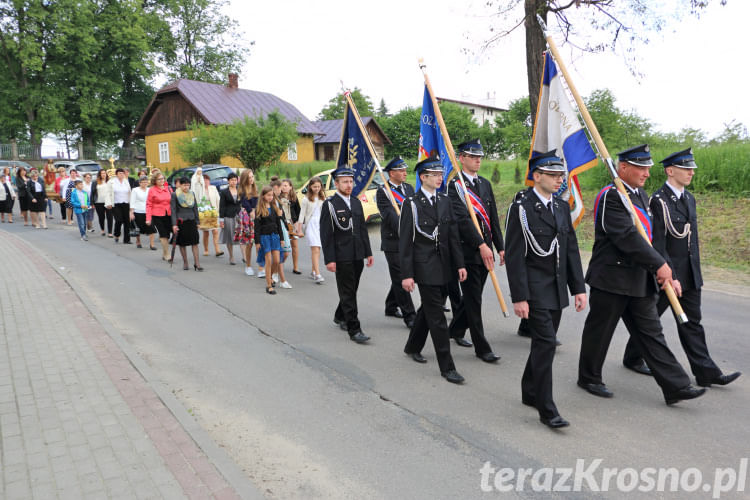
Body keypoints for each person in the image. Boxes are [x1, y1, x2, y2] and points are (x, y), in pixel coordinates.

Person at [577, 144, 706, 405]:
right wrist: (658, 264)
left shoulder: (640, 196)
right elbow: (625, 236)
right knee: (600, 332)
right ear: (623, 168)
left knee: (652, 333)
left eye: (648, 167)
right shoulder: (611, 195)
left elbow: (653, 238)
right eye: (641, 167)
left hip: (638, 279)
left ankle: (676, 386)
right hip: (611, 279)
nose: (647, 173)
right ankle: (589, 377)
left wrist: (663, 266)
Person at [620, 148, 741, 387]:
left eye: (692, 168)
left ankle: (706, 372)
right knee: (651, 319)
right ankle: (633, 357)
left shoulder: (689, 199)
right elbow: (658, 242)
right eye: (686, 168)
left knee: (692, 323)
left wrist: (695, 274)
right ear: (670, 170)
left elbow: (690, 241)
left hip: (690, 274)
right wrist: (669, 275)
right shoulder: (659, 201)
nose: (691, 172)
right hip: (667, 273)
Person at [505, 151, 587, 429]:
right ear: (536, 176)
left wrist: (578, 288)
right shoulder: (522, 208)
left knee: (543, 344)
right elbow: (515, 256)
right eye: (552, 175)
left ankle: (529, 390)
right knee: (547, 345)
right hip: (534, 288)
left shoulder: (562, 207)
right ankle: (546, 408)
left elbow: (571, 249)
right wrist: (519, 297)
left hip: (557, 289)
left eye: (560, 175)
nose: (558, 180)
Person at [401, 157, 467, 384]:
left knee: (428, 310)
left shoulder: (445, 201)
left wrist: (459, 264)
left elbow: (453, 236)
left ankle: (412, 346)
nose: (440, 178)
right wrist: (407, 274)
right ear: (423, 177)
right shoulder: (411, 203)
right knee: (437, 316)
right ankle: (447, 367)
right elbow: (406, 242)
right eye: (435, 175)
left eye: (441, 174)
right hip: (425, 267)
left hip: (446, 265)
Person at [447, 139, 503, 363]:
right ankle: (482, 348)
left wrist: (500, 247)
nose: (477, 160)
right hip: (467, 252)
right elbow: (461, 220)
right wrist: (480, 244)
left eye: (479, 156)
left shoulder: (485, 184)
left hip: (485, 251)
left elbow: (493, 219)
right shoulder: (454, 186)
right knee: (474, 300)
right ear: (461, 158)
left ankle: (455, 330)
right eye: (472, 156)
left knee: (473, 297)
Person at [319, 167, 374, 344]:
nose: (349, 185)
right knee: (349, 292)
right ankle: (354, 329)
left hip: (357, 253)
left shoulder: (356, 202)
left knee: (351, 288)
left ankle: (340, 315)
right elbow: (326, 234)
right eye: (345, 181)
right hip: (341, 255)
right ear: (336, 184)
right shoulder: (330, 205)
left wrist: (368, 252)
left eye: (351, 181)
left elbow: (362, 230)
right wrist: (330, 259)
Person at [376, 157, 417, 328]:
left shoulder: (409, 188)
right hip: (393, 241)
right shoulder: (383, 191)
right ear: (391, 173)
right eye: (401, 170)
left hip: (409, 239)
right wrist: (406, 229)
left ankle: (391, 305)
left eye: (405, 170)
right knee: (401, 276)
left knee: (399, 275)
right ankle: (410, 316)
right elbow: (390, 216)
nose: (405, 173)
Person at [255, 185, 291, 293]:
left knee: (276, 260)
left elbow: (278, 224)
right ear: (263, 196)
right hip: (265, 237)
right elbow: (256, 227)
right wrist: (257, 241)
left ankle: (270, 276)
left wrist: (282, 238)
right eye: (268, 195)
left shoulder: (275, 208)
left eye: (272, 195)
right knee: (269, 260)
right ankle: (269, 286)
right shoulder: (260, 209)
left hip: (275, 236)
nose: (271, 197)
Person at [171, 177, 202, 271]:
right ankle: (185, 262)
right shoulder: (175, 194)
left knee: (195, 242)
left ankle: (197, 263)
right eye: (184, 185)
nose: (186, 187)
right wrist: (174, 224)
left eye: (188, 185)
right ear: (180, 185)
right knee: (182, 243)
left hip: (191, 220)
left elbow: (195, 208)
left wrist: (198, 221)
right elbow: (173, 210)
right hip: (181, 221)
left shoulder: (192, 194)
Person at [298, 177, 326, 283]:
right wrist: (299, 230)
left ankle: (313, 271)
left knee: (318, 249)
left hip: (320, 225)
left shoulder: (323, 197)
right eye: (314, 186)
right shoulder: (306, 199)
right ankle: (318, 274)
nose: (317, 188)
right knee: (315, 249)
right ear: (310, 187)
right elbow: (302, 215)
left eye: (319, 186)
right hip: (310, 225)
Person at [145, 171, 173, 261]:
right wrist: (148, 218)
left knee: (168, 235)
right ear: (155, 180)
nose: (161, 180)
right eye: (159, 179)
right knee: (163, 234)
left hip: (168, 215)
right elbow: (148, 205)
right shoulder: (152, 190)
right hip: (157, 215)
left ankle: (164, 253)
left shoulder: (168, 189)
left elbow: (173, 202)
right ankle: (167, 254)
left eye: (162, 178)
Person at [238, 170, 259, 275]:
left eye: (252, 177)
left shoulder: (255, 188)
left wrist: (254, 210)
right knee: (249, 243)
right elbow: (245, 203)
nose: (251, 179)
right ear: (245, 179)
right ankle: (248, 266)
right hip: (247, 217)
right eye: (249, 177)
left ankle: (261, 267)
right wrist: (251, 211)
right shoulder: (242, 190)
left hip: (255, 215)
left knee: (259, 243)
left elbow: (256, 202)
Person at [280, 179, 302, 275]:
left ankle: (295, 267)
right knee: (284, 246)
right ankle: (279, 264)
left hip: (292, 223)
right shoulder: (278, 197)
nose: (284, 187)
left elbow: (298, 212)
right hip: (282, 223)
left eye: (286, 185)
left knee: (295, 245)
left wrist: (297, 225)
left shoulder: (293, 198)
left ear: (290, 187)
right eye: (282, 185)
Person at [219, 173, 241, 266]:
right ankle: (231, 256)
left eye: (235, 180)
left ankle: (244, 256)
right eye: (231, 180)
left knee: (242, 236)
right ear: (228, 181)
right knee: (229, 237)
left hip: (239, 216)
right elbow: (222, 206)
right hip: (228, 216)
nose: (233, 182)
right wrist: (221, 219)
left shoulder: (240, 190)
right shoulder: (224, 192)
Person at [106, 168, 132, 244]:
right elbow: (108, 193)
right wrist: (108, 203)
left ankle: (127, 239)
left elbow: (129, 192)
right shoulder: (111, 182)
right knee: (119, 220)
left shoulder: (126, 181)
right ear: (116, 174)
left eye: (123, 173)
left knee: (127, 221)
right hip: (116, 204)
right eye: (120, 173)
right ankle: (117, 234)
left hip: (126, 203)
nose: (122, 175)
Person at [130, 175, 156, 249]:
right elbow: (132, 201)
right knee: (138, 228)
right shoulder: (135, 190)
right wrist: (131, 212)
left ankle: (152, 244)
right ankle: (138, 241)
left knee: (151, 228)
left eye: (146, 182)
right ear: (139, 183)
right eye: (143, 182)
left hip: (148, 211)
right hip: (138, 211)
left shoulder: (150, 190)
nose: (144, 183)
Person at [91, 169, 113, 237]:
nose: (103, 174)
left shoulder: (110, 182)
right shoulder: (95, 182)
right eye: (102, 173)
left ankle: (110, 232)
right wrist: (92, 203)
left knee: (110, 217)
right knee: (101, 217)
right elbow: (92, 193)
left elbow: (112, 192)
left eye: (104, 173)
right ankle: (102, 230)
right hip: (98, 202)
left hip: (108, 202)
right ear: (99, 174)